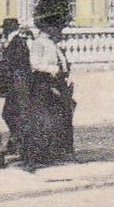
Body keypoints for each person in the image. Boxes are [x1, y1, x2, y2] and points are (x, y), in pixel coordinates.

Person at [19, 23, 74, 169]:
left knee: (56, 118)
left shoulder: (52, 43)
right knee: (42, 119)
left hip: (56, 83)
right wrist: (53, 69)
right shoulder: (38, 43)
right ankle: (37, 154)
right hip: (43, 83)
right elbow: (35, 64)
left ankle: (52, 151)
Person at [0, 18, 30, 156]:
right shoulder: (16, 42)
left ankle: (18, 142)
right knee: (10, 113)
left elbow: (17, 65)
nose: (3, 31)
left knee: (11, 114)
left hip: (17, 84)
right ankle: (16, 141)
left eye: (4, 28)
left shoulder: (17, 42)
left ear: (8, 29)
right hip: (15, 84)